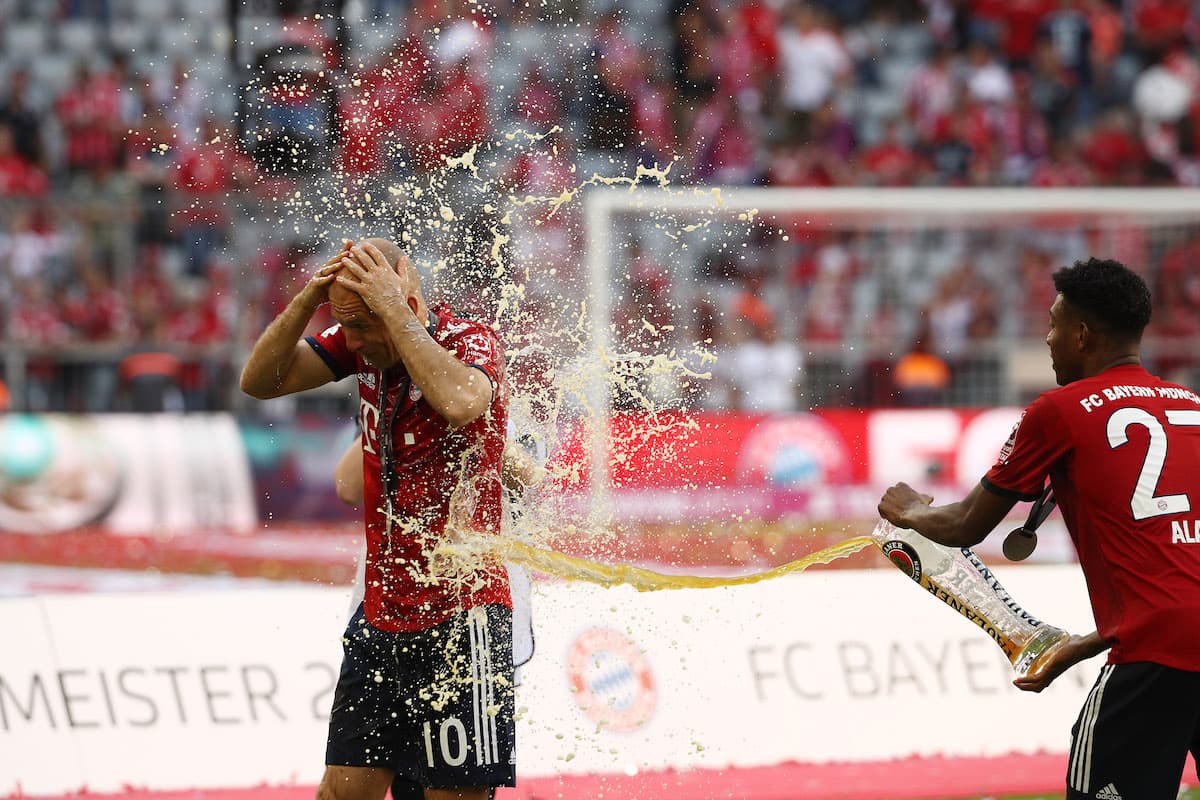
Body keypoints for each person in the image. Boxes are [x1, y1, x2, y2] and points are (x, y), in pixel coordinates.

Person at [878, 258, 1200, 799]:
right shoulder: (1192, 405)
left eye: (1053, 324)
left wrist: (908, 511)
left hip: (1152, 657)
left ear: (1082, 334)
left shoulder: (1058, 411)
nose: (1047, 339)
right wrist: (1081, 647)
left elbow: (964, 525)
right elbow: (1183, 585)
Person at [241, 238, 515, 800]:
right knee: (340, 792)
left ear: (403, 304)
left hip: (462, 615)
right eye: (346, 325)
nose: (354, 341)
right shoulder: (362, 344)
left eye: (363, 325)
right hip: (382, 612)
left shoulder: (470, 341)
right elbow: (259, 381)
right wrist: (309, 298)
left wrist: (393, 311)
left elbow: (462, 403)